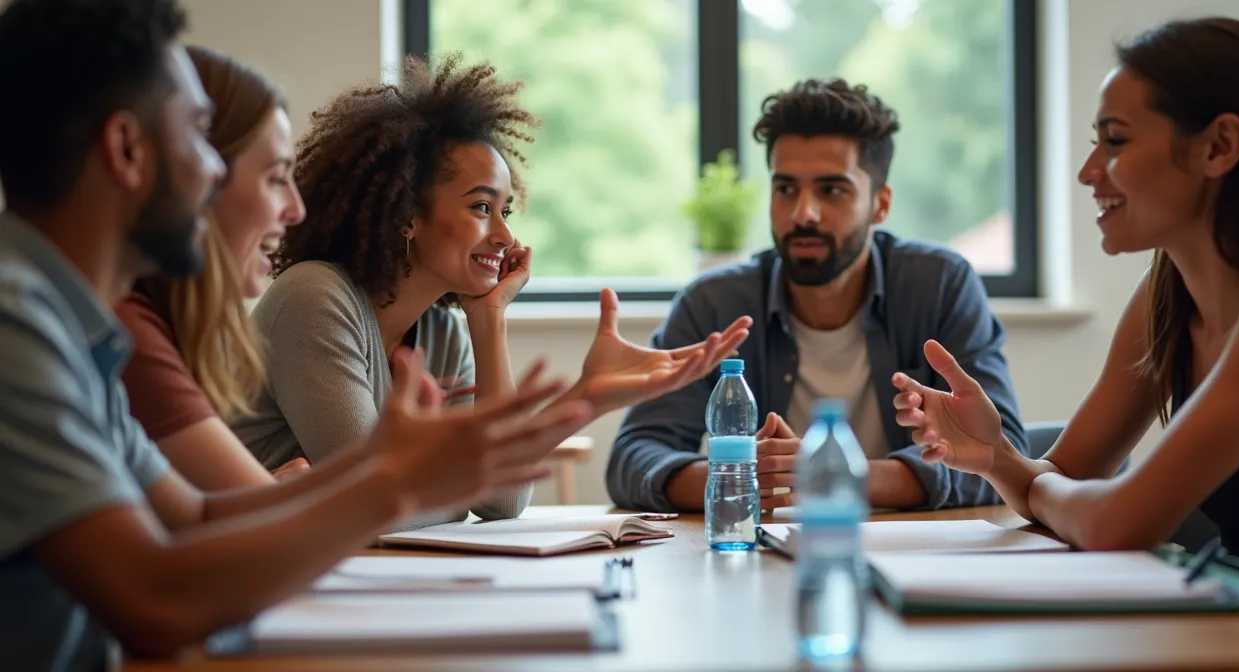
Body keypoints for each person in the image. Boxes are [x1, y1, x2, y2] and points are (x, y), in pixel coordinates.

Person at [0, 0, 597, 667]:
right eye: (200, 135)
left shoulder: (69, 326)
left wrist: (394, 474)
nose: (214, 171)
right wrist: (392, 484)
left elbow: (197, 518)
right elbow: (154, 596)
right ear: (127, 149)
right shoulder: (15, 324)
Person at [230, 54, 751, 528]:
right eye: (481, 208)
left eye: (504, 211)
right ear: (406, 215)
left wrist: (489, 320)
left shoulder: (439, 330)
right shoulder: (315, 299)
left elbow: (502, 502)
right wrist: (466, 480)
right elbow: (382, 507)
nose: (505, 237)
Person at [891, 17, 1239, 596]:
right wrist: (998, 459)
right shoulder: (1167, 291)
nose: (1089, 172)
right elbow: (1067, 480)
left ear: (1219, 146)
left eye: (1115, 140)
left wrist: (1041, 487)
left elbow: (1119, 522)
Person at [607, 79, 1028, 514]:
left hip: (911, 557)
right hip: (764, 560)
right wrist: (746, 477)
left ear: (880, 205)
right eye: (786, 189)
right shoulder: (713, 304)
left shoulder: (941, 286)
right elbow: (634, 458)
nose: (803, 213)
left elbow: (1001, 453)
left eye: (832, 190)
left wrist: (834, 476)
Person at [117, 45, 310, 491]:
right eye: (276, 178)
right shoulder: (130, 334)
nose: (297, 210)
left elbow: (199, 514)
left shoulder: (162, 329)